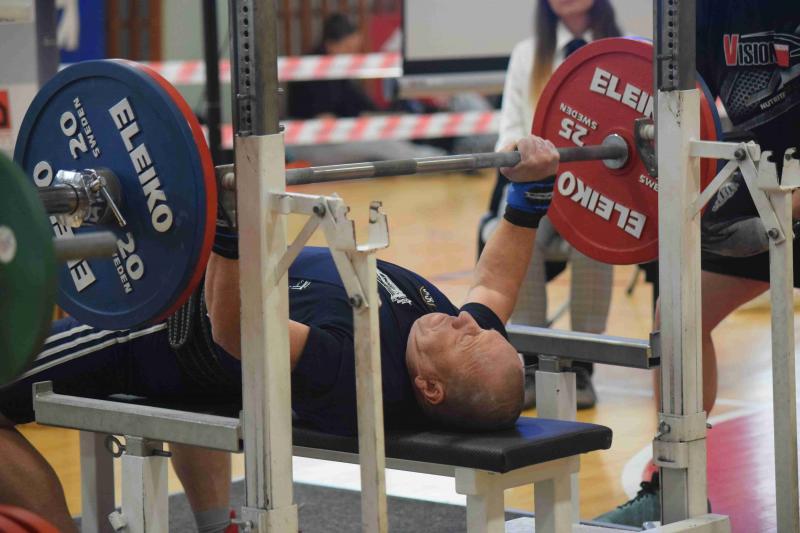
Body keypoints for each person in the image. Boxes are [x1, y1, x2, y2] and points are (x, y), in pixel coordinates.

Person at [0, 135, 560, 531]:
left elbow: (239, 330)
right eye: (479, 329)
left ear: (431, 388)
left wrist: (229, 229)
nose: (466, 320)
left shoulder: (360, 371)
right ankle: (219, 528)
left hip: (162, 323)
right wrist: (531, 194)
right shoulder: (452, 341)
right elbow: (492, 287)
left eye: (468, 337)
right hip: (194, 293)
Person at [596, 1, 800, 526]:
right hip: (758, 182)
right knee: (678, 316)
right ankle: (673, 485)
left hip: (786, 189)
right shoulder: (706, 8)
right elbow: (682, 109)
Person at [479, 0, 622, 409]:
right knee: (513, 236)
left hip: (602, 192)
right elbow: (507, 133)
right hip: (540, 189)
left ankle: (581, 367)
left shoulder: (620, 50)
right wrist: (520, 153)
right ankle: (531, 362)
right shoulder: (527, 55)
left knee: (595, 239)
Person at [285, 13, 445, 165]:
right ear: (330, 45)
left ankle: (440, 158)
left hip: (339, 138)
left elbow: (360, 106)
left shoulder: (339, 72)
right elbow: (325, 122)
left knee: (387, 140)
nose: (352, 54)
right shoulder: (309, 70)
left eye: (355, 49)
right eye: (348, 48)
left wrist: (379, 118)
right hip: (311, 145)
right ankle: (439, 160)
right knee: (383, 146)